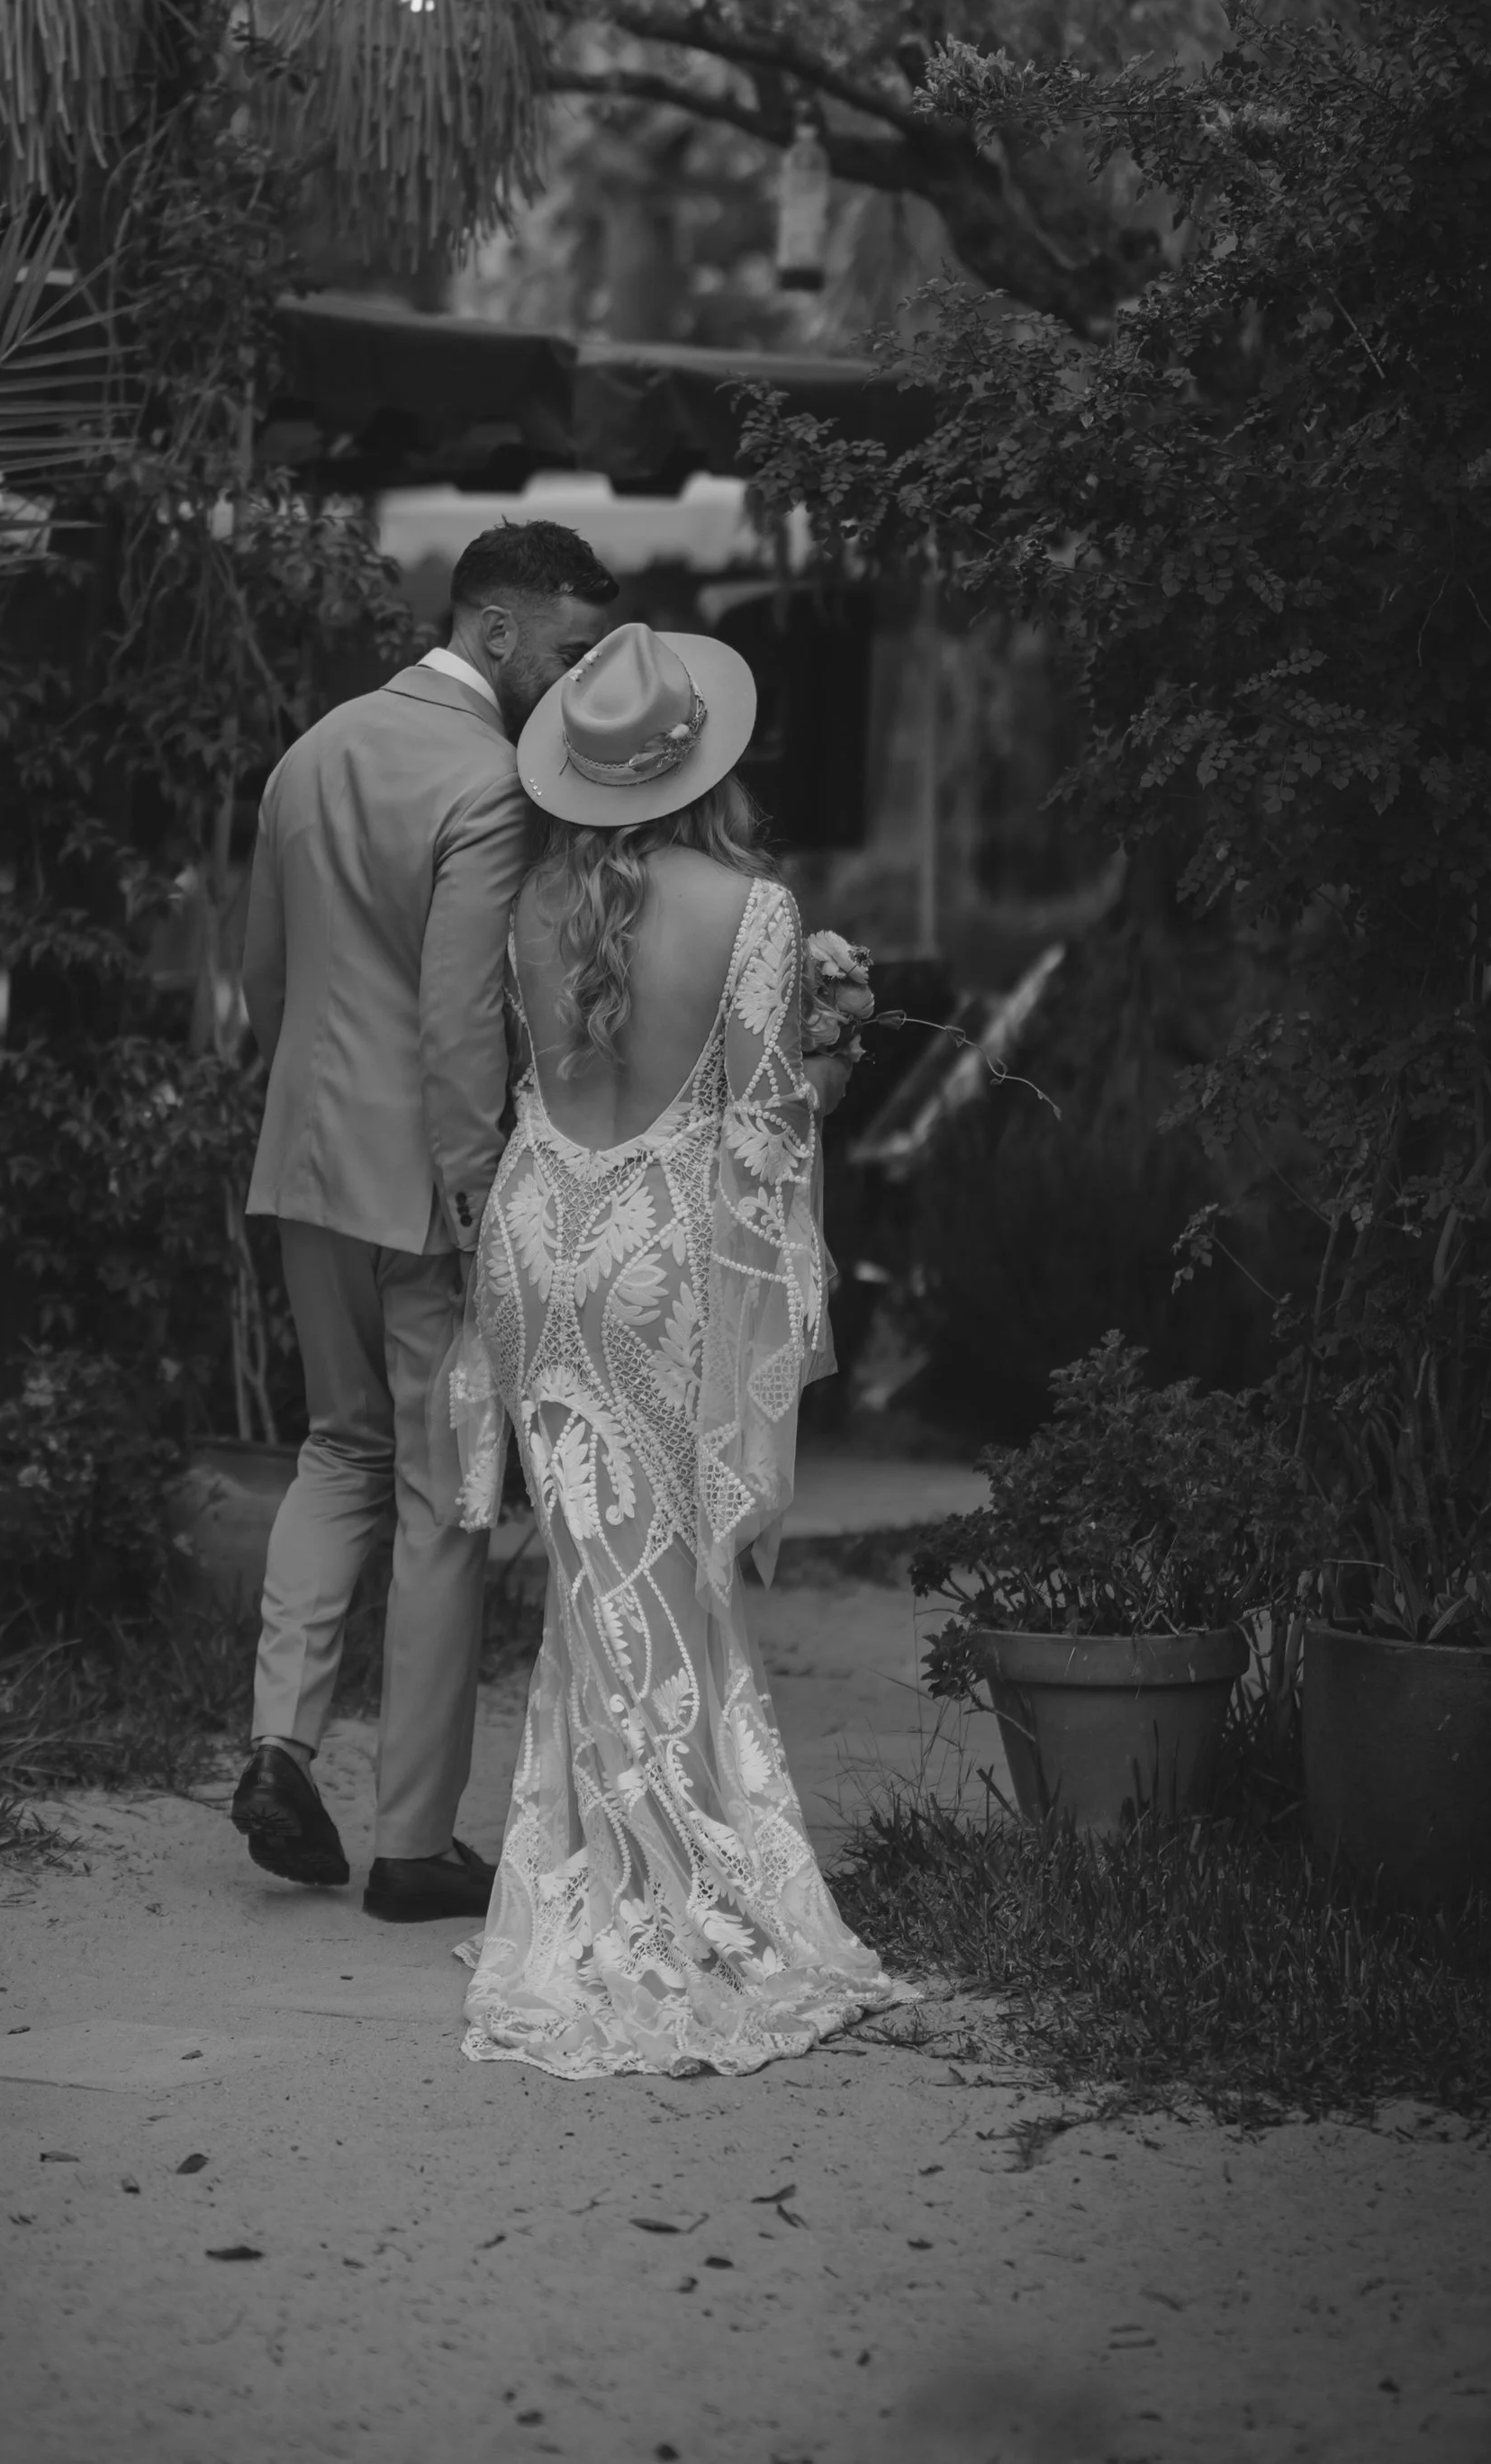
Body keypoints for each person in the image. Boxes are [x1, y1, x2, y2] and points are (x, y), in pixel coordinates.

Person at [444, 618, 903, 2075]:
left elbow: (522, 1080)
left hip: (541, 1237)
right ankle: (671, 1890)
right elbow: (762, 1136)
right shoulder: (750, 908)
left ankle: (598, 1870)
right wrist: (832, 1060)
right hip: (660, 1249)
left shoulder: (528, 900)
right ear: (703, 762)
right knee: (661, 1571)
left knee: (595, 1574)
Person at [230, 520, 618, 1921]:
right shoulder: (491, 782)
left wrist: (303, 1118)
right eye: (570, 652)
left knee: (334, 1448)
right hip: (423, 1190)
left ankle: (278, 1744)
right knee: (445, 1501)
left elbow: (265, 980)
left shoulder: (310, 752)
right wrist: (473, 1194)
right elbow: (461, 1016)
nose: (577, 683)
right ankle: (410, 1843)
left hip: (305, 1166)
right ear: (496, 631)